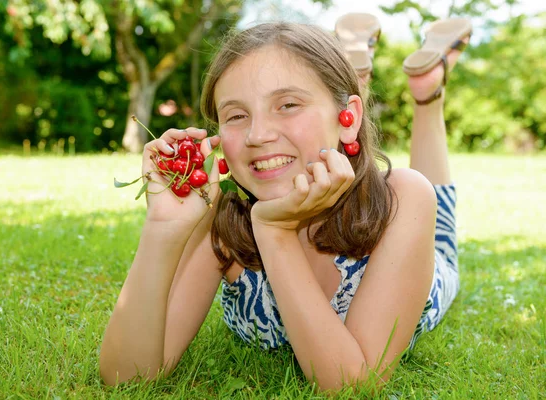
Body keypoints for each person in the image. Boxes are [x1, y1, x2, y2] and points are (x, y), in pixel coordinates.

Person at [99, 15, 472, 392]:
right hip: (338, 135)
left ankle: (427, 95)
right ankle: (351, 71)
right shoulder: (222, 221)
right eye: (237, 115)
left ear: (348, 118)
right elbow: (126, 377)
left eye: (288, 104)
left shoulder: (401, 199)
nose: (258, 135)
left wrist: (275, 232)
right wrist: (162, 230)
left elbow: (351, 385)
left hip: (419, 250)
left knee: (437, 215)